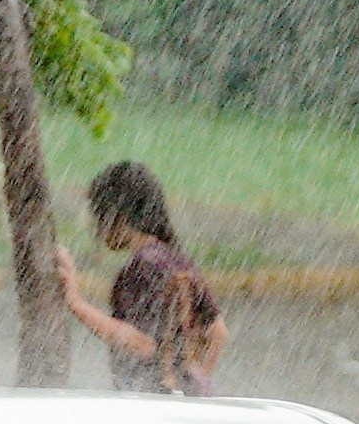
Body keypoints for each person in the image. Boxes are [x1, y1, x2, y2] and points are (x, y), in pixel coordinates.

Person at [53, 161, 230, 394]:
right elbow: (217, 333)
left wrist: (76, 303)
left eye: (98, 217)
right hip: (183, 406)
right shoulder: (178, 261)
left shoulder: (140, 268)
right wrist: (188, 389)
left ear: (119, 216)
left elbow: (142, 343)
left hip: (147, 405)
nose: (97, 229)